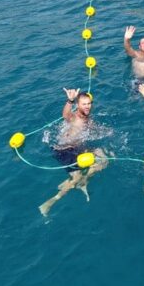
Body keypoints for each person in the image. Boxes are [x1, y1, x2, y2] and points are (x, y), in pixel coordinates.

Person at [39, 88, 109, 216]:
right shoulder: (74, 117)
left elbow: (91, 130)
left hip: (76, 148)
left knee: (104, 159)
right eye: (84, 104)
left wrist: (107, 131)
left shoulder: (88, 118)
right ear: (78, 105)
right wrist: (70, 100)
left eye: (89, 103)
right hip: (63, 151)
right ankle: (51, 202)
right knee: (77, 177)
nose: (88, 106)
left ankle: (80, 181)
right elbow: (66, 115)